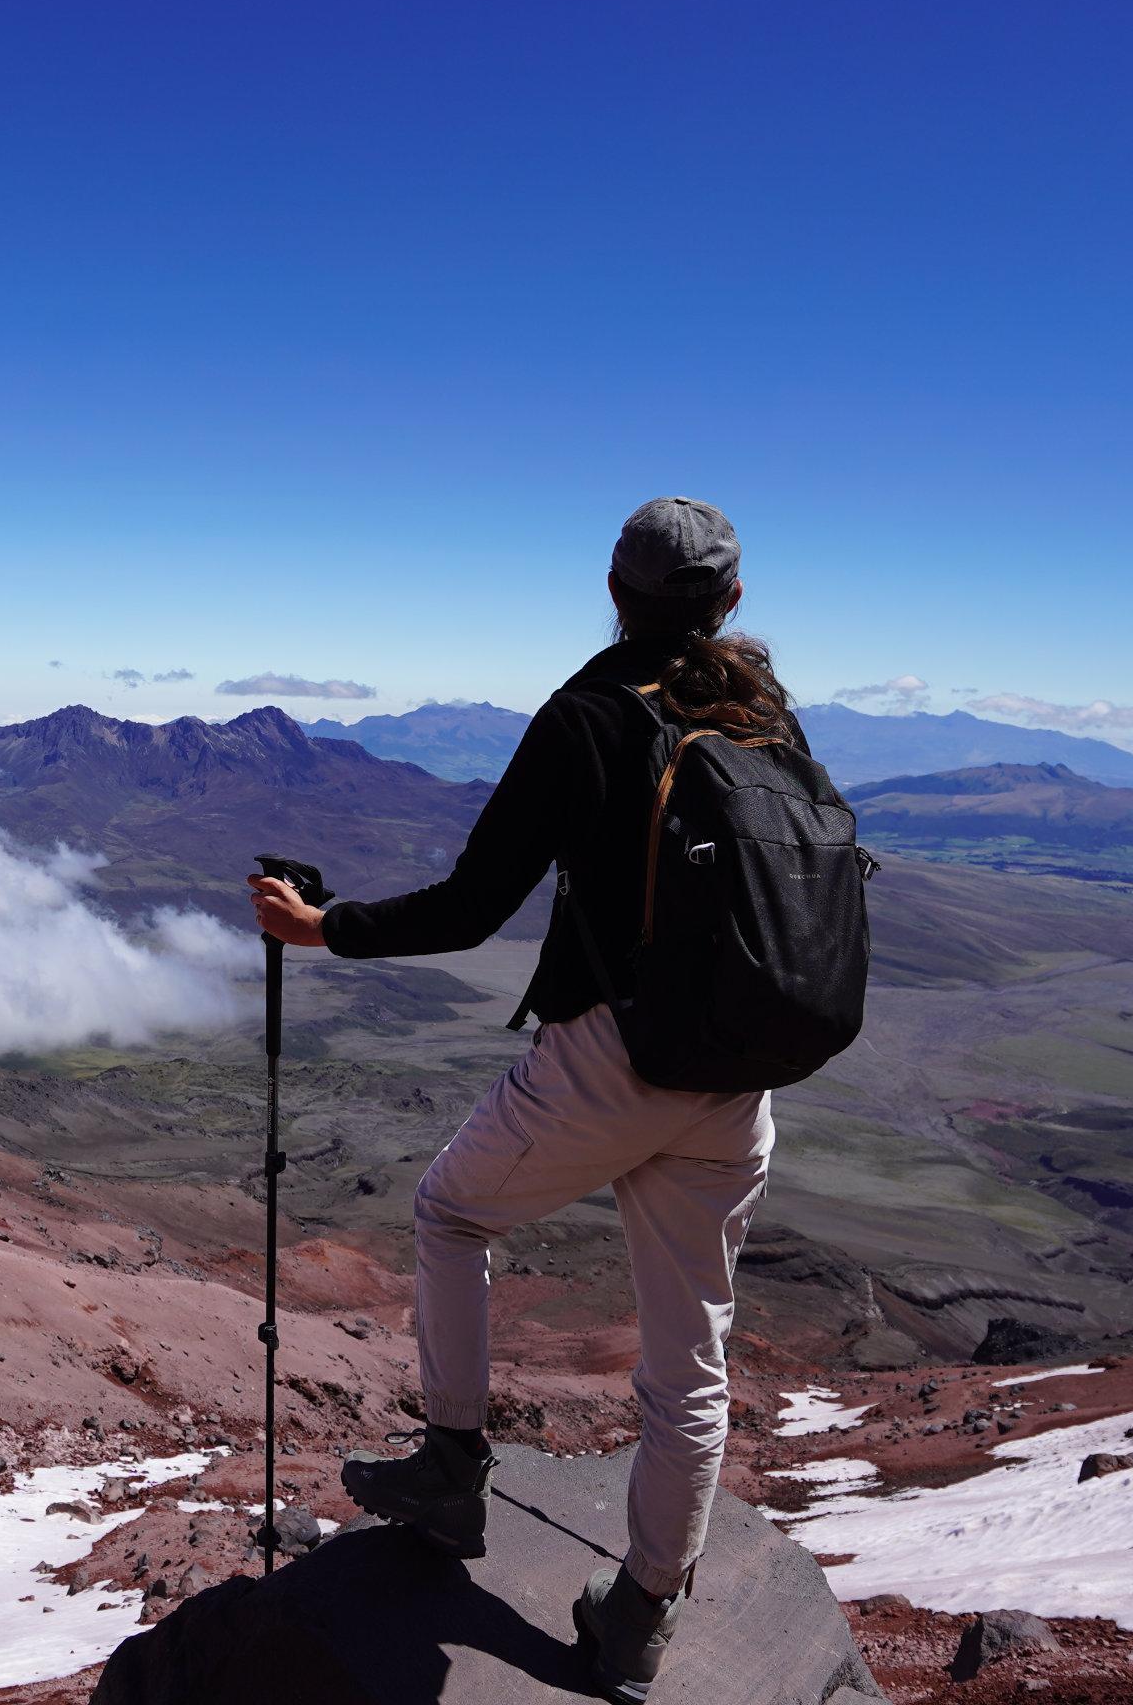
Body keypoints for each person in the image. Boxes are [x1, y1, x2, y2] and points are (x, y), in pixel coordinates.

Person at [248, 496, 798, 1705]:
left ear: (613, 590)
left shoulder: (590, 715)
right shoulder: (764, 717)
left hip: (610, 1055)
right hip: (736, 1076)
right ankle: (644, 1613)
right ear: (732, 602)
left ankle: (452, 1470)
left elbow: (472, 903)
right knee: (689, 1356)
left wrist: (320, 926)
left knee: (450, 1216)